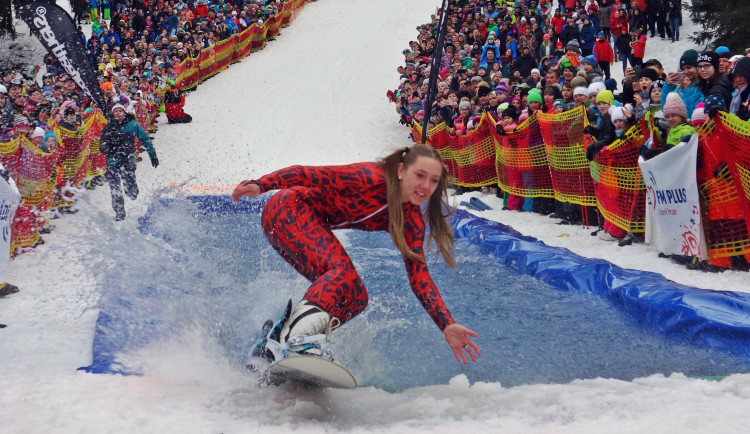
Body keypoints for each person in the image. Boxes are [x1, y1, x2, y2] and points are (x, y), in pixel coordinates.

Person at [233, 144, 481, 369]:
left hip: (303, 222)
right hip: (287, 209)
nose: (426, 186)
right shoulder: (371, 178)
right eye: (420, 175)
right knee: (340, 272)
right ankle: (295, 343)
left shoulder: (410, 220)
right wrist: (262, 184)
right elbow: (307, 173)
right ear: (401, 170)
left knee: (356, 298)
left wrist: (446, 323)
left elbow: (419, 278)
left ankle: (271, 343)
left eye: (434, 181)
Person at [99, 104, 159, 221]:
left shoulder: (132, 125)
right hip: (112, 161)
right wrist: (110, 148)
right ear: (112, 113)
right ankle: (119, 212)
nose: (118, 113)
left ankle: (132, 190)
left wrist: (152, 155)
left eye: (120, 111)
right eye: (115, 111)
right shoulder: (108, 127)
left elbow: (145, 139)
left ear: (124, 112)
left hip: (128, 160)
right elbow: (102, 145)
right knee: (115, 189)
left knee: (131, 190)